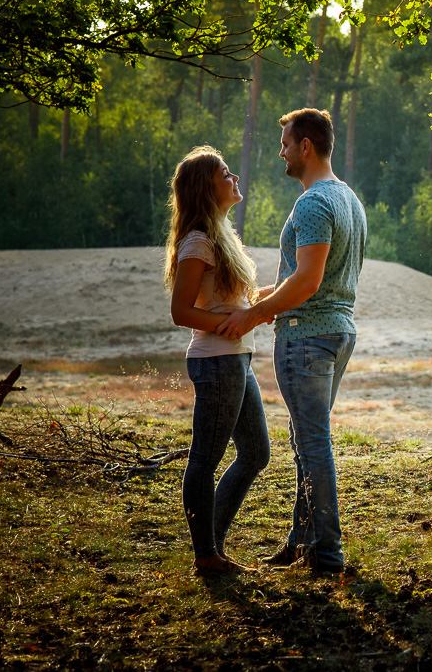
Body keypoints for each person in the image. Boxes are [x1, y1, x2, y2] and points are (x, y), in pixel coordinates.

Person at [217, 108, 366, 577]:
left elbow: (306, 281)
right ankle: (301, 541)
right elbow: (301, 279)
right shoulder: (349, 199)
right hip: (338, 332)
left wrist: (255, 316)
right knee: (307, 441)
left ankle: (326, 555)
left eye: (285, 143)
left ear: (306, 146)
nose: (279, 151)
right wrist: (250, 298)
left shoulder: (313, 203)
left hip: (308, 337)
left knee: (313, 443)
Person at [164, 146, 271, 578]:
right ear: (206, 188)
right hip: (217, 361)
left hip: (236, 360)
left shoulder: (220, 234)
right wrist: (229, 322)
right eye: (227, 174)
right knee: (204, 460)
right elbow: (181, 312)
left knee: (256, 452)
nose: (235, 180)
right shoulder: (198, 240)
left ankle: (213, 546)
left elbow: (236, 303)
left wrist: (278, 296)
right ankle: (206, 556)